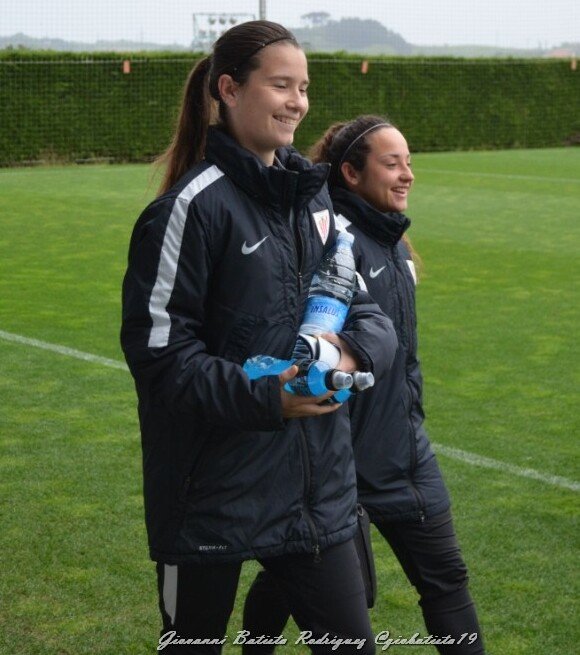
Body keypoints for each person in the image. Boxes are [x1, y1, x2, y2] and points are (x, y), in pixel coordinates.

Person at [120, 22, 398, 654]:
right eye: (281, 85)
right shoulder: (188, 209)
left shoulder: (316, 205)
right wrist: (269, 396)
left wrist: (345, 352)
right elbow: (160, 358)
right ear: (228, 89)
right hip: (209, 493)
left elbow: (369, 314)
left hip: (316, 493)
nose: (298, 102)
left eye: (304, 87)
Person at [243, 116, 486, 654]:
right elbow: (307, 348)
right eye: (392, 164)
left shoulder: (395, 244)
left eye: (409, 163)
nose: (407, 175)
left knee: (447, 579)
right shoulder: (328, 243)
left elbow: (405, 361)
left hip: (404, 453)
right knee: (288, 582)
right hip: (338, 463)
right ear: (351, 173)